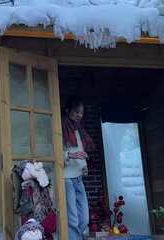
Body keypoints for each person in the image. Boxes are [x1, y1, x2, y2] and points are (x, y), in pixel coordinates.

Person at [61, 96, 93, 240]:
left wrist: (84, 165)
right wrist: (71, 155)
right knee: (72, 218)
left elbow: (80, 150)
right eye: (76, 112)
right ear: (68, 110)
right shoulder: (60, 127)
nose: (79, 115)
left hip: (78, 177)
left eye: (81, 112)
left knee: (84, 217)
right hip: (66, 177)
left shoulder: (78, 129)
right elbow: (54, 152)